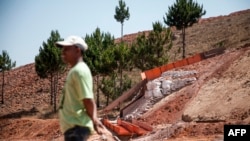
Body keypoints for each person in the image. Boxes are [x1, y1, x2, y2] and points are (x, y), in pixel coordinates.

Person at [55, 35, 111, 141]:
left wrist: (95, 120)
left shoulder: (79, 71)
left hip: (77, 127)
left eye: (66, 49)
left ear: (77, 50)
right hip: (74, 128)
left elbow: (87, 99)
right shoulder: (75, 70)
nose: (63, 52)